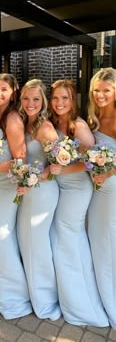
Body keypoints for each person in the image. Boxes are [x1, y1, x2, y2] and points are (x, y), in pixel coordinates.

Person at [49, 79, 109, 327]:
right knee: (63, 238)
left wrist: (62, 170)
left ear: (73, 100)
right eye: (55, 98)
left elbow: (94, 160)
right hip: (62, 187)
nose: (60, 103)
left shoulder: (77, 126)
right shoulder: (54, 123)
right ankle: (68, 295)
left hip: (77, 188)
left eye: (65, 98)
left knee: (69, 236)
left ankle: (83, 303)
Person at [0, 73, 32, 319]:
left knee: (1, 235)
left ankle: (15, 296)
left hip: (5, 185)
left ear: (13, 92)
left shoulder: (13, 118)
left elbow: (20, 160)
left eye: (4, 89)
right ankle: (2, 290)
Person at [16, 79, 61, 320]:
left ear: (42, 101)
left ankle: (46, 300)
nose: (30, 103)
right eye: (26, 98)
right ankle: (34, 295)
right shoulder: (23, 122)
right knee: (28, 243)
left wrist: (33, 180)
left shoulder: (45, 127)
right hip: (28, 192)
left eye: (35, 99)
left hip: (42, 191)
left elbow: (57, 163)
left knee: (37, 245)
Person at [87, 67, 116, 329]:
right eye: (97, 90)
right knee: (95, 238)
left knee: (105, 239)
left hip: (111, 187)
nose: (100, 95)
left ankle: (111, 298)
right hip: (94, 187)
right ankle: (96, 291)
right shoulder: (93, 118)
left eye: (106, 90)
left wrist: (108, 172)